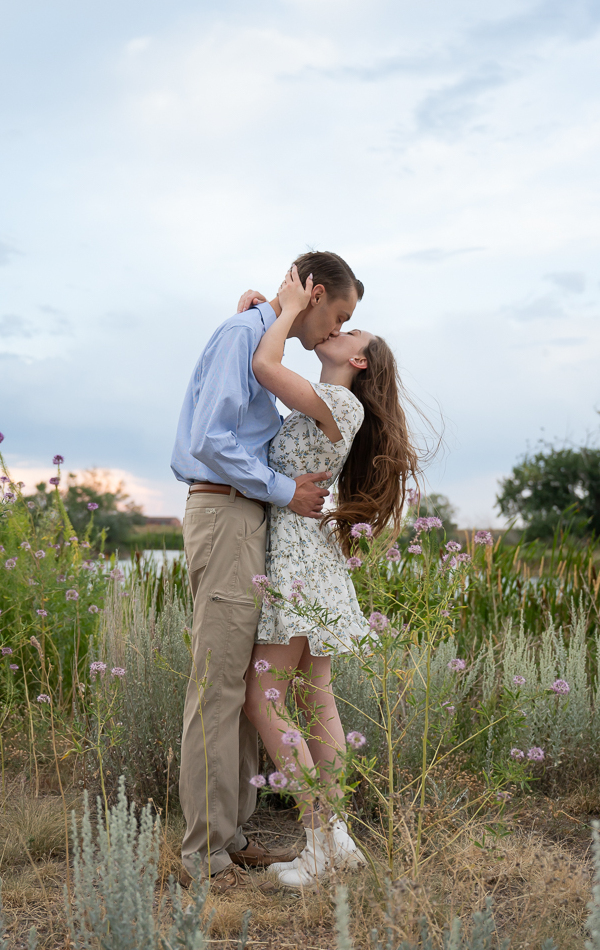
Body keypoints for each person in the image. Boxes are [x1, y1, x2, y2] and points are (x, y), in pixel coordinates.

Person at [170, 251, 364, 893]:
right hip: (229, 512)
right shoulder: (246, 336)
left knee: (252, 683)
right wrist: (283, 491)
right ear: (312, 293)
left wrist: (273, 316)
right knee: (223, 684)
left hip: (252, 518)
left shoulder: (264, 337)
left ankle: (233, 834)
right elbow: (212, 439)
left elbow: (261, 424)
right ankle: (206, 851)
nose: (331, 331)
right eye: (336, 314)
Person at [240, 266, 419, 887]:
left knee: (262, 699)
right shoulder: (332, 402)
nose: (338, 330)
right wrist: (267, 312)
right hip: (309, 560)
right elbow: (270, 381)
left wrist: (285, 311)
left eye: (350, 330)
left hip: (294, 563)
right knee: (316, 703)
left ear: (360, 362)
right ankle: (336, 837)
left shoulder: (337, 400)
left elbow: (264, 369)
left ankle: (317, 838)